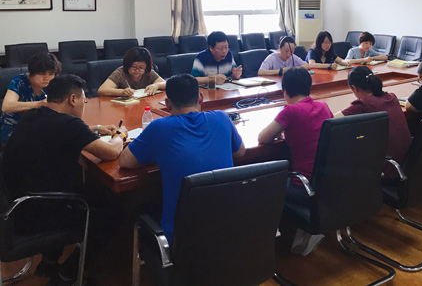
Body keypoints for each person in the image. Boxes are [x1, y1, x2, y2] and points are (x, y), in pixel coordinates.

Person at [2, 75, 125, 285]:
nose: (84, 106)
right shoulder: (69, 124)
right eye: (84, 101)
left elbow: (60, 133)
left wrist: (95, 130)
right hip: (37, 212)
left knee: (86, 188)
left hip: (15, 205)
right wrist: (120, 135)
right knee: (111, 215)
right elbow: (111, 152)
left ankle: (49, 261)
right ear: (72, 99)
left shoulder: (33, 115)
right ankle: (67, 275)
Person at [119, 74, 245, 244]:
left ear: (168, 103)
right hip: (228, 229)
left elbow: (125, 162)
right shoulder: (222, 118)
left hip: (183, 238)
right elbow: (240, 152)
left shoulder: (159, 128)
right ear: (201, 98)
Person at [258, 68, 333, 256]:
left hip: (304, 187)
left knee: (263, 185)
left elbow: (263, 138)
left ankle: (266, 244)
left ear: (285, 91)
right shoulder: (323, 106)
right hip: (328, 183)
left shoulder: (290, 111)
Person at [338, 66, 411, 177]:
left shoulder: (363, 104)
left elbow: (331, 120)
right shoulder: (392, 97)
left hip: (388, 169)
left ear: (354, 88)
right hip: (408, 163)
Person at [0, 52, 61, 145]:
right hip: (14, 131)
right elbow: (6, 107)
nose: (47, 78)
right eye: (42, 74)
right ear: (32, 72)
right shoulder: (19, 82)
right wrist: (39, 104)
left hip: (38, 127)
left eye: (51, 74)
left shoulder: (51, 83)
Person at [97, 47, 166, 97]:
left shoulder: (148, 72)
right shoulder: (120, 72)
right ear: (127, 64)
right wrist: (122, 92)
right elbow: (102, 90)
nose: (137, 70)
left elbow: (166, 83)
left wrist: (157, 85)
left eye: (141, 67)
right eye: (134, 67)